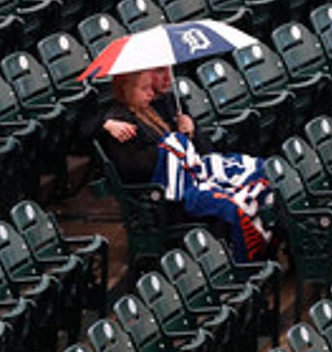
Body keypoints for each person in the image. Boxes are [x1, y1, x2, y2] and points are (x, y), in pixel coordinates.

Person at [94, 69, 273, 262]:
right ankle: (242, 260)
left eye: (150, 88)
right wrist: (170, 147)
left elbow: (205, 149)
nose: (150, 93)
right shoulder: (121, 124)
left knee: (255, 172)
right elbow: (135, 169)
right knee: (231, 204)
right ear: (126, 91)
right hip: (167, 197)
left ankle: (271, 236)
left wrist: (190, 131)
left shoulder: (158, 106)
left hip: (194, 173)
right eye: (144, 89)